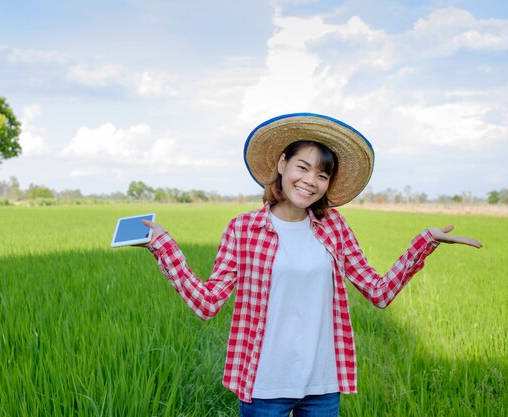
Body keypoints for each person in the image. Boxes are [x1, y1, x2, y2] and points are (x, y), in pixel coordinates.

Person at [141, 113, 482, 417]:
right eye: (302, 167)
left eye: (322, 175)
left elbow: (379, 292)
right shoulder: (243, 229)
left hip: (323, 385)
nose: (310, 181)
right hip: (264, 385)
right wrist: (163, 246)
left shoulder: (335, 227)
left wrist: (426, 243)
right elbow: (207, 303)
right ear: (282, 164)